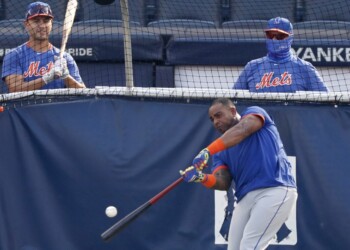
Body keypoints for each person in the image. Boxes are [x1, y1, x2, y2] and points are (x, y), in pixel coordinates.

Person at [181, 98, 298, 250]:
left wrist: (207, 151)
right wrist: (201, 177)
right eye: (212, 119)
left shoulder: (254, 113)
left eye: (218, 115)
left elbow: (243, 129)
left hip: (276, 189)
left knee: (249, 246)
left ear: (233, 111)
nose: (215, 122)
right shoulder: (220, 151)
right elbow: (223, 182)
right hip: (245, 199)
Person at [2, 1, 85, 93]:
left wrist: (66, 76)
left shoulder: (65, 58)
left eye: (46, 21)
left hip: (57, 106)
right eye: (36, 21)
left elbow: (83, 92)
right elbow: (15, 89)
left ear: (51, 23)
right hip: (25, 107)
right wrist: (47, 78)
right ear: (27, 24)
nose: (42, 26)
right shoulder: (14, 55)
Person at [233, 17, 328, 92]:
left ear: (290, 38)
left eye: (280, 36)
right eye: (270, 35)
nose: (274, 39)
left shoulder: (305, 68)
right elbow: (233, 102)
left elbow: (327, 102)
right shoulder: (252, 67)